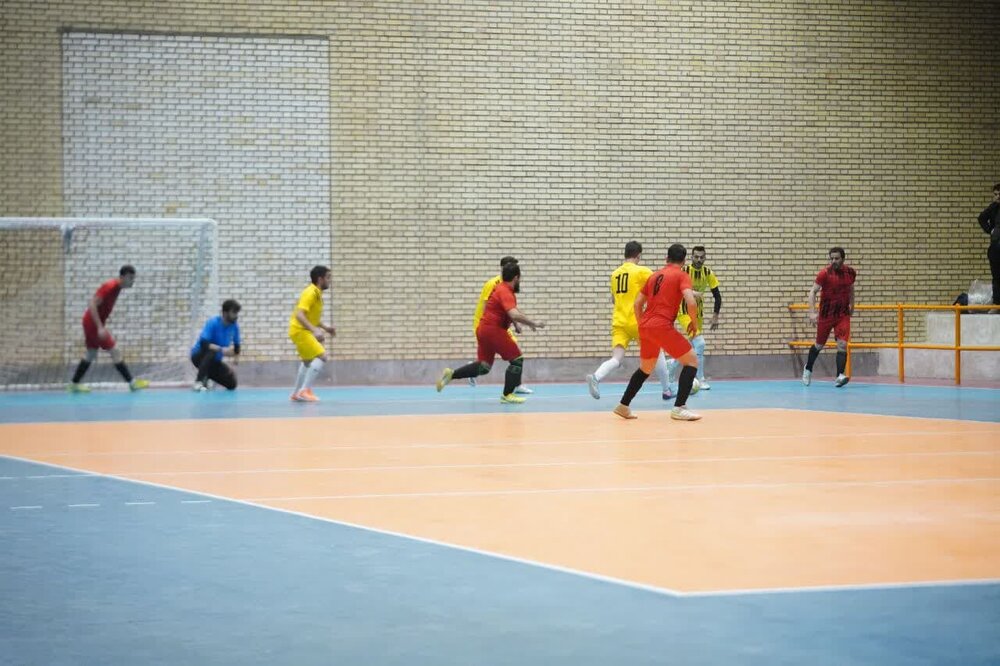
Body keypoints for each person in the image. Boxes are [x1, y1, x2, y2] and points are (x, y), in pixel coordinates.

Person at [613, 244, 702, 421]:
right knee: (692, 360)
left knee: (646, 368)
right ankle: (679, 407)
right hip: (662, 326)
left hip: (646, 326)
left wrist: (642, 325)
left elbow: (638, 304)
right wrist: (693, 323)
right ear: (684, 261)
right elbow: (691, 302)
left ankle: (623, 405)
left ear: (666, 258)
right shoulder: (682, 275)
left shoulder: (654, 276)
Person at [437, 262, 544, 403]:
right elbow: (514, 313)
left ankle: (451, 374)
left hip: (483, 330)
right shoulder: (505, 291)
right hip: (494, 330)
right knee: (517, 359)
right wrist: (533, 323)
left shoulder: (500, 288)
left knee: (484, 366)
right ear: (516, 277)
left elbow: (509, 311)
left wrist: (516, 324)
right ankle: (507, 395)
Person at [586, 241, 672, 400]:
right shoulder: (642, 271)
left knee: (617, 358)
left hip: (619, 322)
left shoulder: (615, 274)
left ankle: (596, 377)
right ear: (638, 255)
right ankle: (667, 390)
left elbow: (614, 299)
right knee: (657, 353)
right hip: (637, 321)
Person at [68, 265, 149, 393]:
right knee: (114, 351)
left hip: (92, 323)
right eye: (130, 278)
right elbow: (92, 304)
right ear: (122, 277)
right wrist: (100, 327)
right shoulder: (110, 286)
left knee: (91, 353)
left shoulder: (117, 288)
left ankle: (74, 384)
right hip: (93, 324)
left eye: (133, 278)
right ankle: (132, 383)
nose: (132, 281)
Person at [469, 256, 534, 393]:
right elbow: (487, 305)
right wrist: (486, 323)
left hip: (498, 324)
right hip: (488, 323)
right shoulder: (493, 283)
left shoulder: (506, 284)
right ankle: (514, 387)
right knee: (515, 354)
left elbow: (508, 309)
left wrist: (515, 324)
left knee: (514, 353)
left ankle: (516, 385)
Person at [664, 245, 722, 395]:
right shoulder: (683, 271)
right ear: (691, 257)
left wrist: (715, 316)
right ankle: (700, 378)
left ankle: (672, 364)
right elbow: (674, 288)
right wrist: (692, 292)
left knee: (692, 346)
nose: (699, 259)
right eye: (696, 257)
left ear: (705, 258)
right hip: (684, 312)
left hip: (698, 314)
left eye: (702, 257)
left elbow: (717, 296)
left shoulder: (708, 273)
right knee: (700, 344)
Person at [802, 247, 856, 388]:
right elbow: (812, 292)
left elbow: (851, 289)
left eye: (836, 258)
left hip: (842, 314)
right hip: (826, 315)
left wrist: (852, 305)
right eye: (831, 258)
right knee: (819, 345)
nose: (833, 261)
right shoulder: (824, 274)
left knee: (842, 344)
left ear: (843, 259)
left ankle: (839, 376)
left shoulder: (850, 273)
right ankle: (808, 368)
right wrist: (812, 312)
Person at [288, 265, 336, 402]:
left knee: (307, 362)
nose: (330, 280)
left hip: (299, 330)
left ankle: (296, 393)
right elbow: (300, 315)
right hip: (300, 330)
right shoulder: (311, 293)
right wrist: (314, 330)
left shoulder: (317, 294)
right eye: (328, 277)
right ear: (320, 279)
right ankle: (304, 391)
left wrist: (326, 328)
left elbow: (311, 317)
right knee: (322, 356)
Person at [190, 300, 242, 391]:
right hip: (198, 357)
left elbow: (237, 347)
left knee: (232, 384)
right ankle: (199, 382)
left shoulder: (234, 326)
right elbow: (204, 344)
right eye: (234, 312)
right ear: (225, 313)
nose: (236, 315)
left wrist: (235, 363)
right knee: (212, 351)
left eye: (237, 313)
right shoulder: (213, 322)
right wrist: (221, 350)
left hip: (214, 361)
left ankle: (208, 378)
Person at [977, 183, 1000, 312]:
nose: (998, 197)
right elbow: (981, 218)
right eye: (995, 194)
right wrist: (990, 230)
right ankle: (997, 304)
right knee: (996, 277)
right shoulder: (993, 208)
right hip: (996, 248)